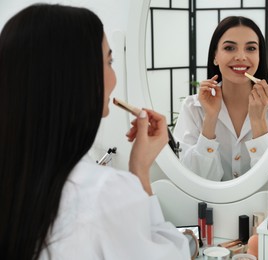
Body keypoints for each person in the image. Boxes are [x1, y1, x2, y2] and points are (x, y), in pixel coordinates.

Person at [0, 4, 190, 260]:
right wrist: (140, 173)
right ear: (77, 75)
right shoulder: (104, 193)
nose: (113, 77)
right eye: (109, 61)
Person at [174, 16, 268, 181]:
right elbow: (193, 180)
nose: (241, 56)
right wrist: (210, 119)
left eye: (251, 49)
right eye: (230, 48)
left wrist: (259, 123)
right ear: (215, 57)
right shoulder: (192, 107)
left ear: (260, 56)